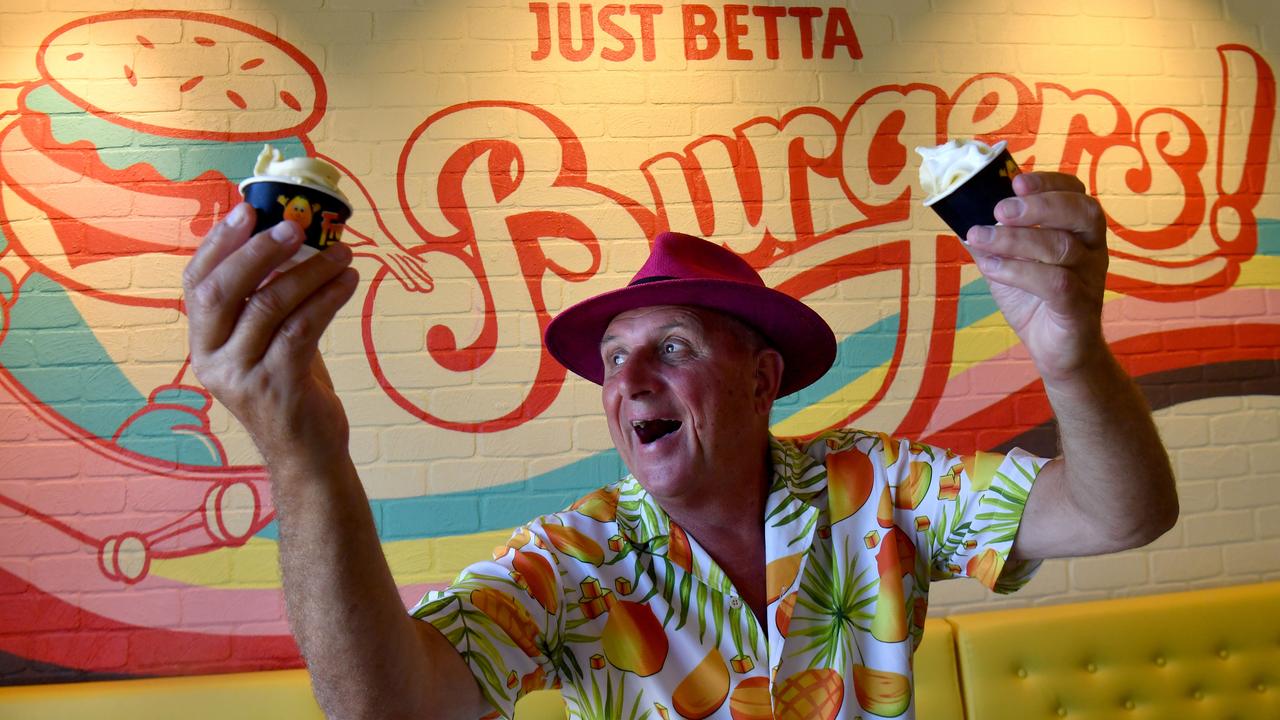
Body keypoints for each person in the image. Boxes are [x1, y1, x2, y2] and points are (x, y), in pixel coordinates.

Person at [182, 171, 1177, 719]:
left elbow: (1119, 512)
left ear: (759, 379)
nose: (625, 381)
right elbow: (385, 713)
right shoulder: (575, 562)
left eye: (669, 347)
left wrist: (1069, 351)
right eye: (612, 359)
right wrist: (303, 450)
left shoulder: (874, 484)